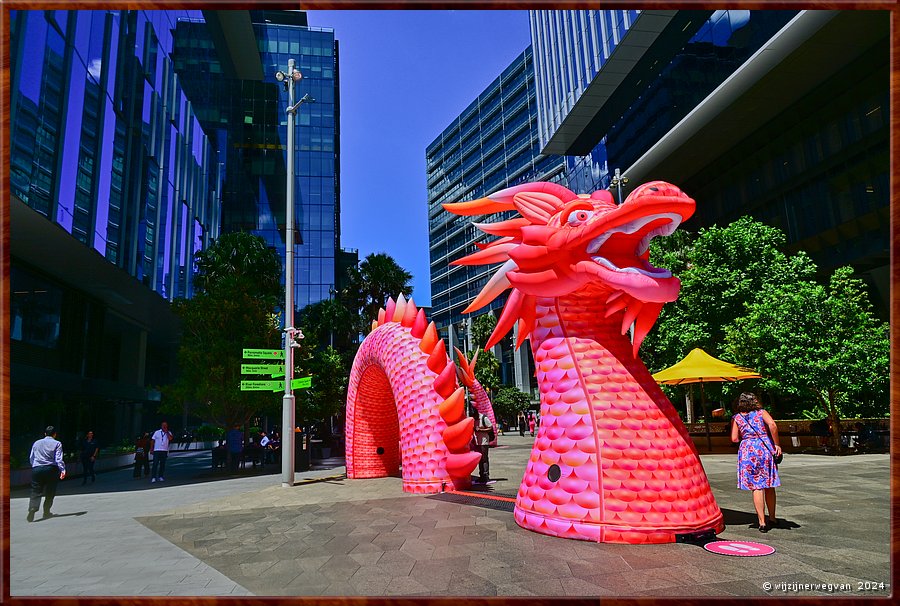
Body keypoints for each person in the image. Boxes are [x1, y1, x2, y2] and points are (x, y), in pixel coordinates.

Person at [731, 393, 782, 532]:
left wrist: (746, 436)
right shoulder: (761, 412)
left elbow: (734, 438)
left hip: (747, 450)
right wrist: (777, 444)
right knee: (769, 484)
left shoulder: (737, 417)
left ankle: (762, 522)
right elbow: (772, 424)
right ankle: (772, 518)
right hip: (764, 447)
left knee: (756, 486)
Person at [27, 426, 66, 521]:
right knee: (50, 491)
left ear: (45, 433)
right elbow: (58, 459)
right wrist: (62, 470)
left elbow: (32, 457)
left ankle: (33, 508)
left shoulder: (36, 443)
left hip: (37, 468)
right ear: (55, 434)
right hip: (51, 469)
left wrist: (35, 466)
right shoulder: (57, 443)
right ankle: (46, 511)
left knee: (36, 490)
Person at [473, 413, 494, 484]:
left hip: (484, 441)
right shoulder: (473, 419)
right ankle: (481, 476)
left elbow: (490, 428)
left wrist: (480, 430)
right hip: (477, 442)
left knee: (484, 458)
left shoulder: (483, 418)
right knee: (479, 459)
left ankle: (486, 476)